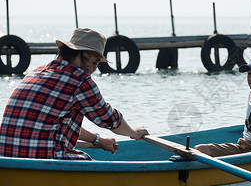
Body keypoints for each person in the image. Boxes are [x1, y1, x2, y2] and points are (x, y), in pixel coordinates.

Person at [0, 28, 148, 160]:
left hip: (7, 158)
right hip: (43, 159)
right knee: (87, 161)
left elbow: (55, 124)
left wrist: (98, 140)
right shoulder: (79, 81)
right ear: (70, 52)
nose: (89, 67)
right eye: (85, 58)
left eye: (96, 63)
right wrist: (133, 133)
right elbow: (109, 119)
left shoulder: (38, 71)